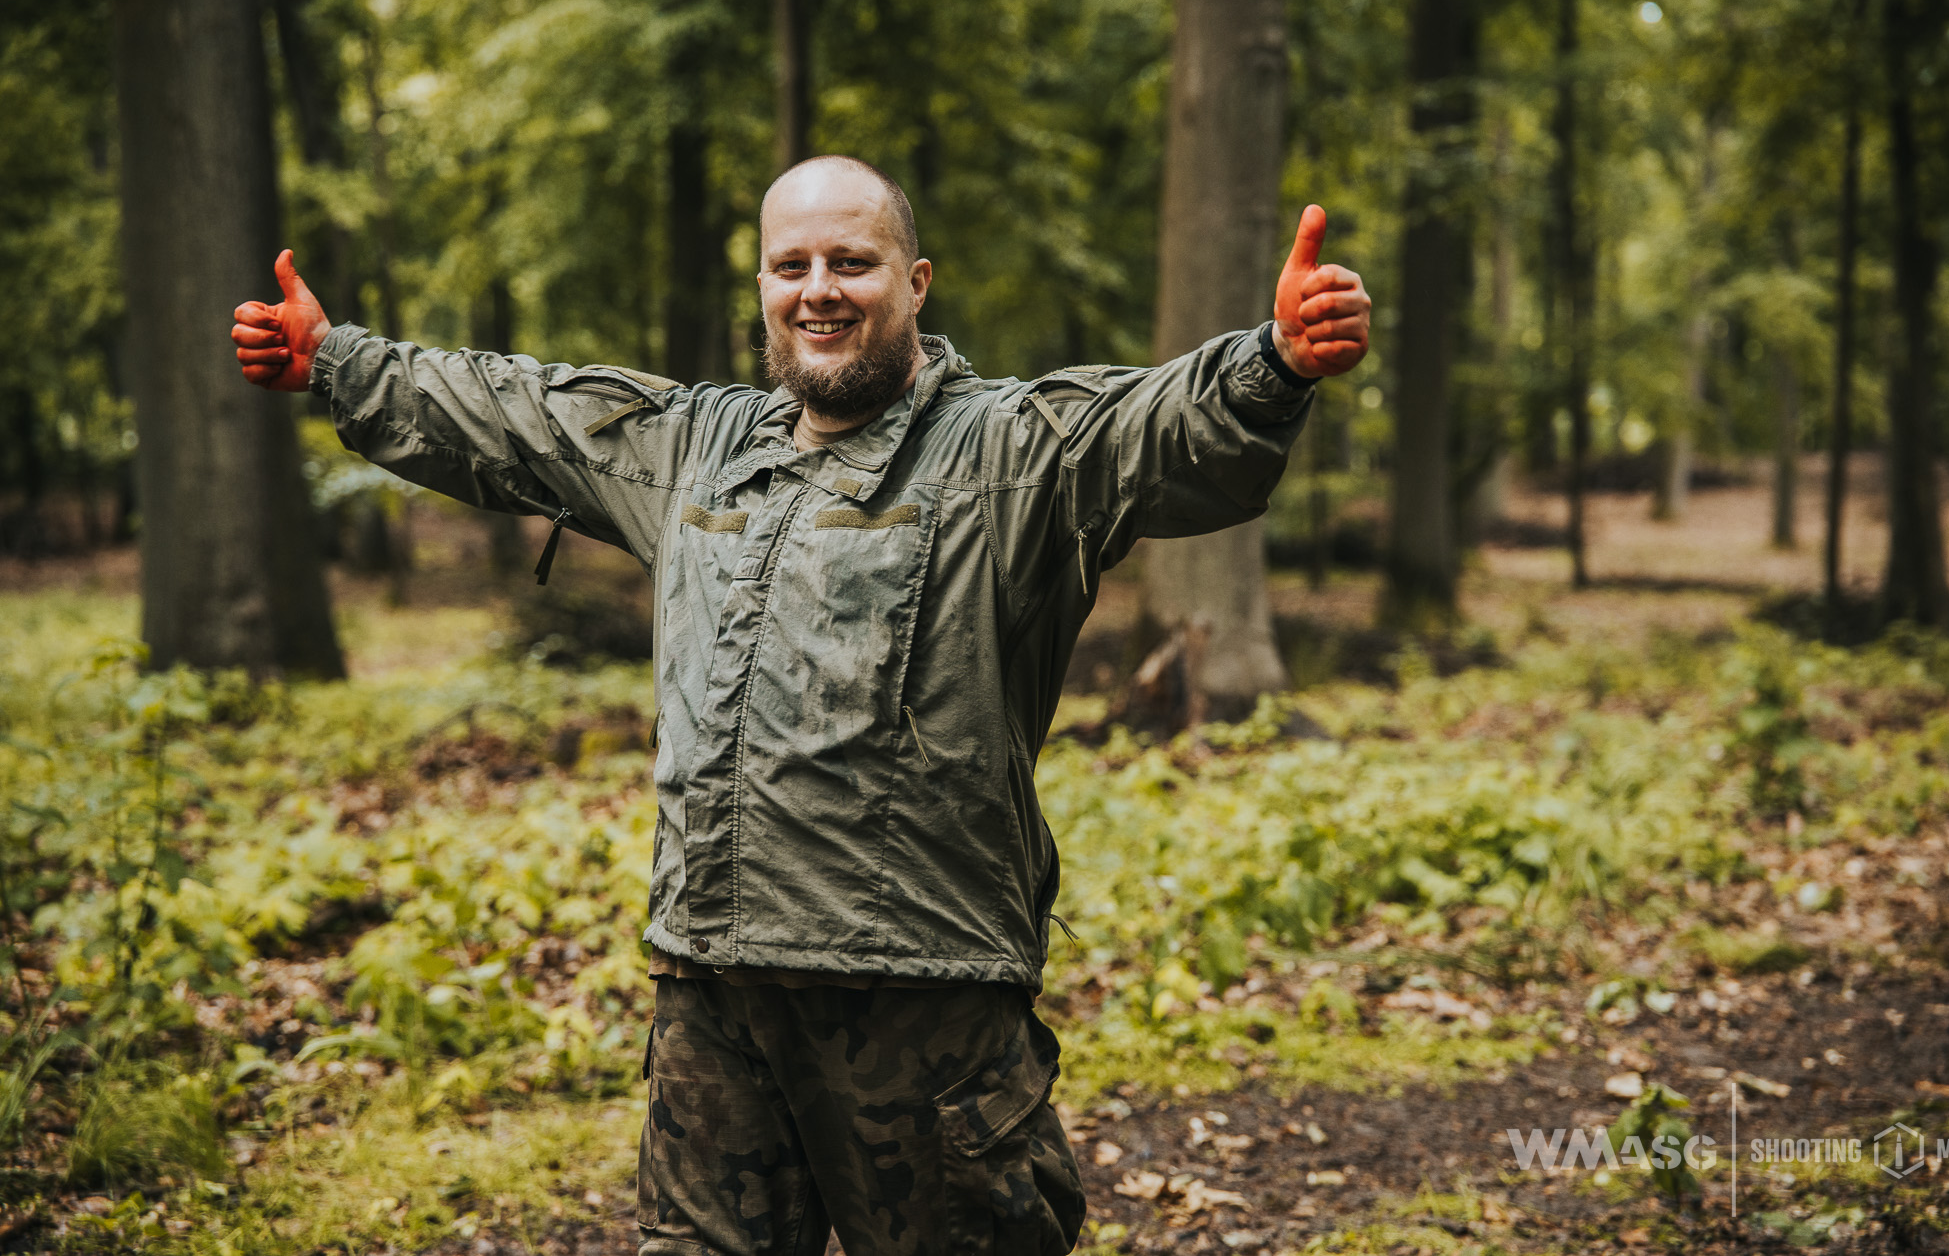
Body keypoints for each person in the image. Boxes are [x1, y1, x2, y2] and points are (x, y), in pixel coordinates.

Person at [230, 155, 1371, 1255]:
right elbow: (515, 412)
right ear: (764, 290)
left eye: (851, 263)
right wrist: (336, 361)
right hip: (711, 986)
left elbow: (1152, 427)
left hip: (916, 998)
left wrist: (1269, 364)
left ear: (913, 283)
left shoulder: (1008, 451)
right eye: (791, 267)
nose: (818, 290)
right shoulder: (695, 448)